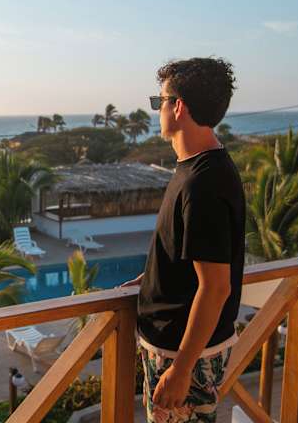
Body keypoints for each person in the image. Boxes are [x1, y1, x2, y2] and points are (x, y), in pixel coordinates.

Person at [121, 57, 244, 422]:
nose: (157, 110)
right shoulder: (199, 167)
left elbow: (216, 287)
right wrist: (154, 278)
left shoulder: (202, 183)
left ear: (179, 107)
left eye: (159, 101)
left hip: (183, 355)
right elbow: (190, 252)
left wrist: (182, 370)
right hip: (178, 349)